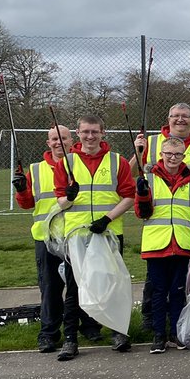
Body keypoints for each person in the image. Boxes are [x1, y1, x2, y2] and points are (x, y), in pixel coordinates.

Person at [52, 113, 138, 359]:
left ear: (103, 133)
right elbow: (60, 201)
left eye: (94, 132)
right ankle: (70, 339)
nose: (90, 136)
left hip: (108, 233)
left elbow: (129, 196)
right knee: (74, 288)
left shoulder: (117, 162)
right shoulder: (66, 162)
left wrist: (107, 219)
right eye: (85, 132)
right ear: (78, 133)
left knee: (113, 284)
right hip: (76, 235)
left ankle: (118, 332)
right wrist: (68, 197)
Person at [12, 124, 101, 352]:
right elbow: (27, 203)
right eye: (54, 139)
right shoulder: (36, 170)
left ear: (72, 141)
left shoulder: (80, 165)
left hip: (77, 234)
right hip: (47, 237)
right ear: (48, 143)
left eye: (63, 138)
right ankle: (49, 333)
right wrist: (21, 190)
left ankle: (89, 326)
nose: (59, 143)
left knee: (83, 283)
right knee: (50, 286)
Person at [134, 136, 190, 353]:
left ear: (183, 156)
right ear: (161, 155)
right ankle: (159, 334)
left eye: (177, 154)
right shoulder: (149, 178)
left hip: (182, 244)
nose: (173, 158)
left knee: (178, 291)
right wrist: (142, 195)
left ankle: (176, 332)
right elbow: (141, 213)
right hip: (156, 245)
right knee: (158, 291)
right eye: (169, 154)